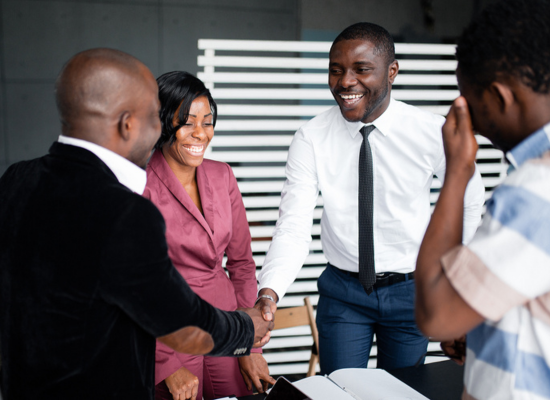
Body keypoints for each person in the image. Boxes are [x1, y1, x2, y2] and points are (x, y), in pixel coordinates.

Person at [0, 48, 273, 400]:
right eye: (155, 116)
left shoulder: (14, 179)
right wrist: (248, 330)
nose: (161, 127)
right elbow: (176, 317)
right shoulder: (125, 210)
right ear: (129, 122)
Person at [255, 22, 486, 373]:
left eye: (362, 69)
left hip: (412, 291)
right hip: (343, 293)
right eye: (336, 70)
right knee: (339, 391)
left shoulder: (430, 131)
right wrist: (269, 293)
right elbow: (293, 226)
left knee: (404, 393)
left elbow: (470, 202)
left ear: (391, 72)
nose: (346, 82)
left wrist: (457, 285)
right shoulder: (311, 137)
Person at [415, 0, 550, 398]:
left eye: (470, 100)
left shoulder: (535, 188)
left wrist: (457, 170)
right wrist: (480, 322)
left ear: (499, 96)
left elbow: (436, 314)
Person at [143, 71, 275, 400]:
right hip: (169, 331)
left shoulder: (222, 174)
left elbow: (243, 264)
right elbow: (137, 286)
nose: (200, 133)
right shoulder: (139, 183)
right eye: (187, 122)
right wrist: (166, 365)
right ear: (162, 123)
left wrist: (251, 345)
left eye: (208, 121)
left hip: (226, 323)